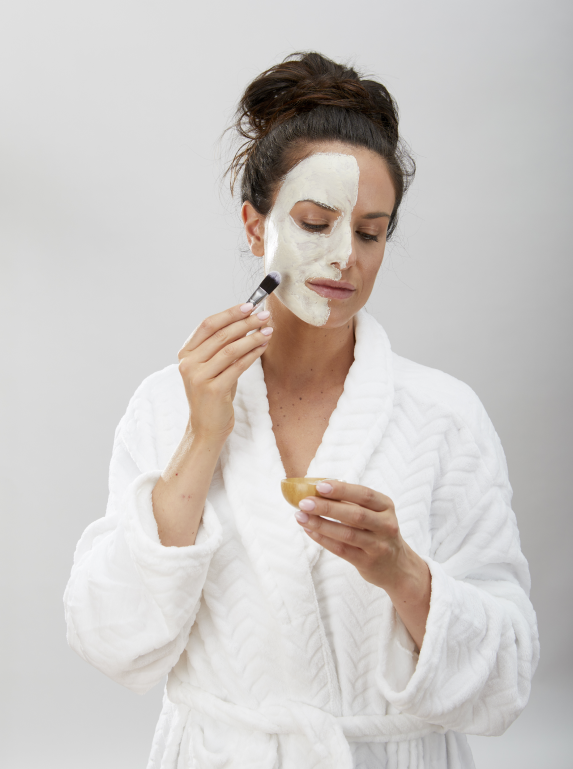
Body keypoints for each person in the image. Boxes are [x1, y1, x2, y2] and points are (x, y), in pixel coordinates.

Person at [64, 52, 539, 769]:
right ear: (256, 227)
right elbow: (112, 640)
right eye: (316, 222)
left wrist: (402, 571)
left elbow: (507, 678)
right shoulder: (167, 404)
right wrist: (201, 437)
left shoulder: (444, 416)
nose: (346, 256)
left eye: (371, 232)